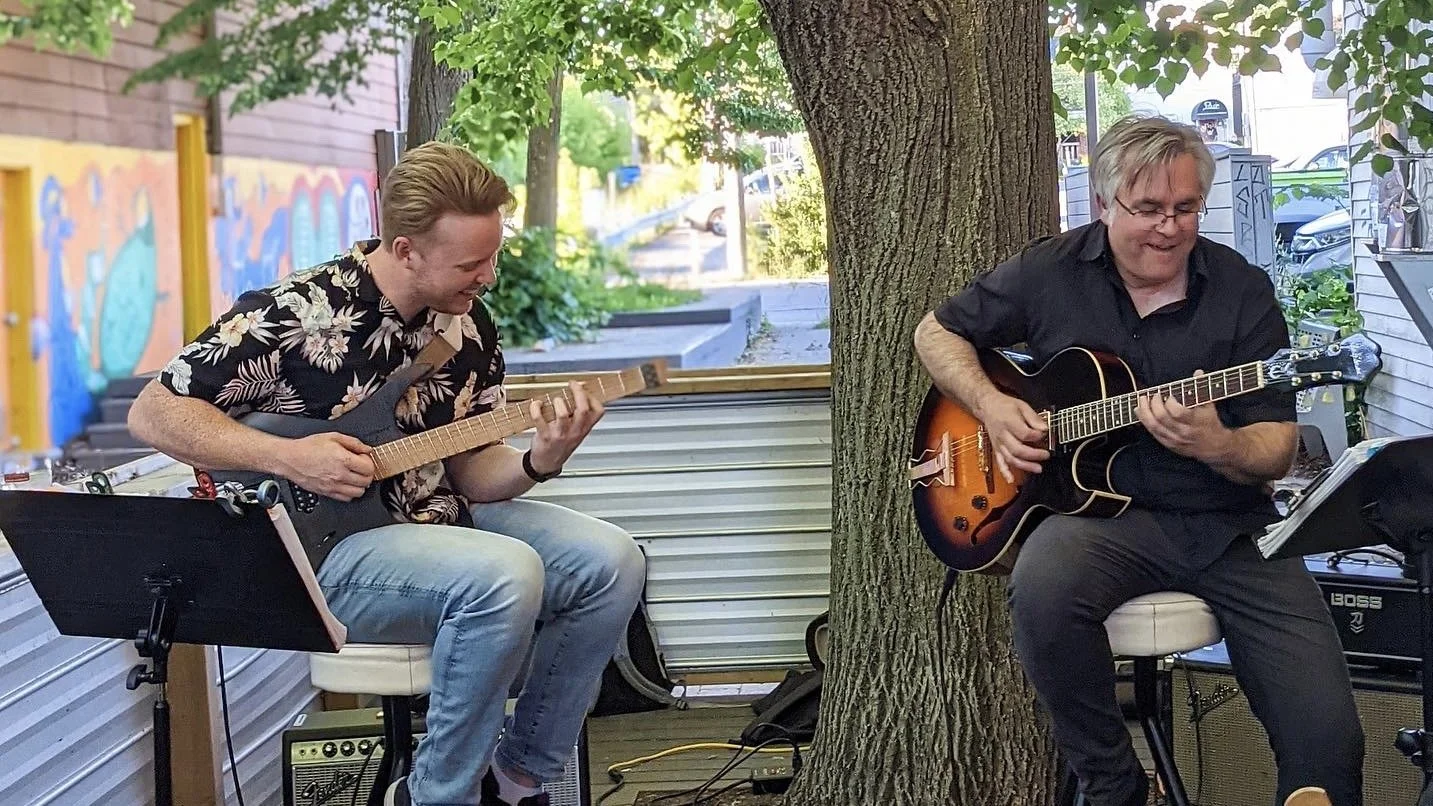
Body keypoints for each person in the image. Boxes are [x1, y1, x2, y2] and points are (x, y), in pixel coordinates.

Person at [128, 141, 647, 806]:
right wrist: (286, 457)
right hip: (321, 553)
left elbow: (472, 473)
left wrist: (539, 459)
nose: (487, 277)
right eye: (470, 264)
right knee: (503, 574)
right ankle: (436, 796)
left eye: (492, 257)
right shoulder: (293, 313)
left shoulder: (467, 325)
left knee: (611, 562)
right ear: (405, 250)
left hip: (438, 522)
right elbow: (154, 413)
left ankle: (518, 781)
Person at [913, 115, 1363, 806]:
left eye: (1185, 208)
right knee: (1042, 588)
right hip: (1101, 524)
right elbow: (936, 332)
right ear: (1104, 203)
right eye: (1148, 208)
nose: (1168, 228)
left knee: (1328, 732)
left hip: (1228, 525)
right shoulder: (1049, 271)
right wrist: (992, 406)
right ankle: (1113, 784)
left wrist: (1217, 444)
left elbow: (1275, 448)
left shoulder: (1240, 290)